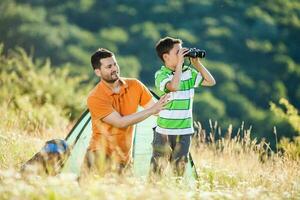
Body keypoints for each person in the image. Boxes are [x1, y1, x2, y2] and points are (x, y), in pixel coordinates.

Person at [85, 48, 169, 175]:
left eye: (115, 64)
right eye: (109, 66)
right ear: (98, 72)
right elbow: (120, 122)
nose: (114, 69)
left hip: (124, 160)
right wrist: (152, 110)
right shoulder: (95, 97)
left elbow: (157, 109)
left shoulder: (135, 85)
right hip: (99, 155)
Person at [151, 36, 216, 176]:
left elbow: (210, 81)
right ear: (166, 57)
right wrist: (180, 64)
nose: (182, 54)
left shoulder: (189, 73)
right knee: (157, 171)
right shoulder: (161, 75)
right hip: (164, 132)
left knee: (178, 173)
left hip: (184, 131)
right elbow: (173, 86)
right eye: (178, 52)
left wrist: (197, 63)